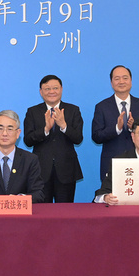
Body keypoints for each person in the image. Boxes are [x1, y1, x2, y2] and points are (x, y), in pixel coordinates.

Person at [23, 74, 83, 202]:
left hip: (66, 170)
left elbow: (78, 138)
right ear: (41, 92)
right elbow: (27, 140)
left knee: (66, 213)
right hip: (41, 170)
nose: (52, 92)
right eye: (47, 89)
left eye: (55, 88)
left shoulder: (73, 110)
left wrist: (64, 126)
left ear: (61, 89)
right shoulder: (32, 112)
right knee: (42, 212)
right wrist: (45, 130)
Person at [90, 65, 139, 184]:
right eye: (117, 78)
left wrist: (135, 129)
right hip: (112, 162)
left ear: (131, 81)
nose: (121, 81)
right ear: (111, 82)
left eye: (125, 78)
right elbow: (96, 136)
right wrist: (116, 128)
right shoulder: (102, 106)